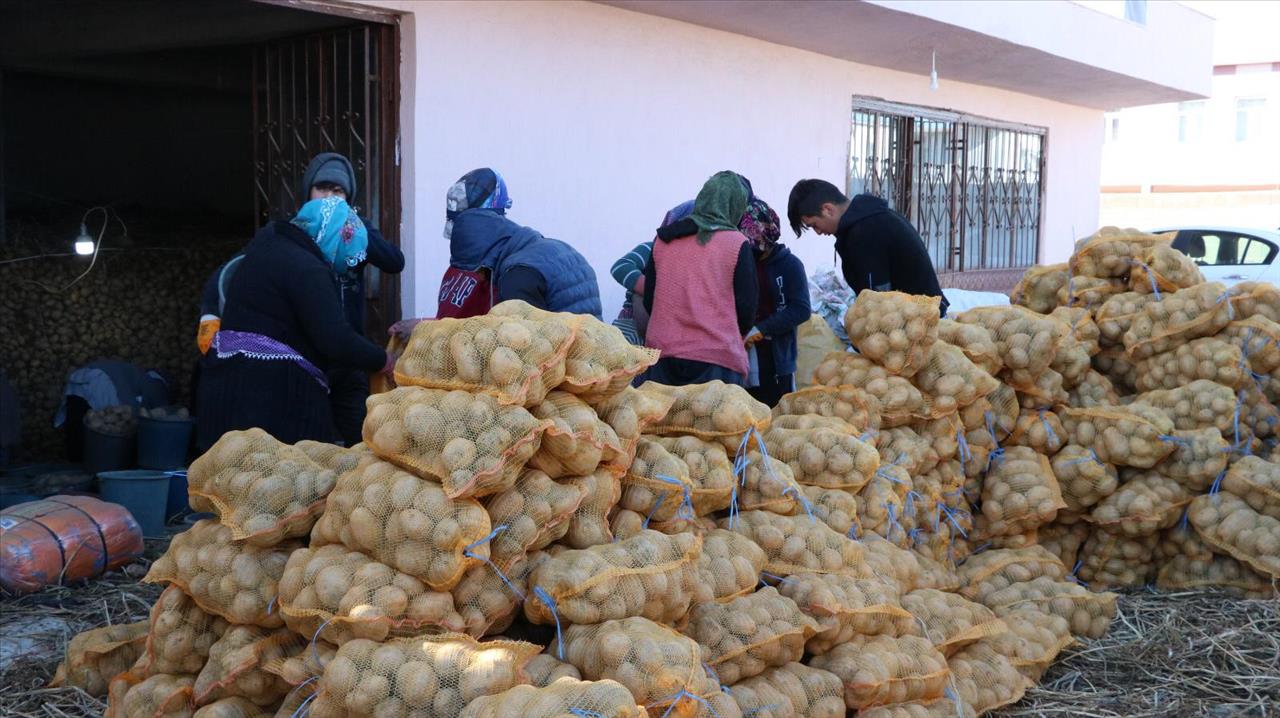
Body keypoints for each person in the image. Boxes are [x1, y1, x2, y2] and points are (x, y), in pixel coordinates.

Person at [194, 153, 403, 446]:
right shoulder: (307, 267)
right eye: (322, 189)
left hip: (234, 396)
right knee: (296, 481)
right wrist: (383, 360)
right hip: (269, 397)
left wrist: (353, 222)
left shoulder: (274, 243)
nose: (329, 196)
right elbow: (334, 337)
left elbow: (394, 260)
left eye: (338, 191)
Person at [642, 171, 758, 386]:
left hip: (663, 356)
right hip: (716, 360)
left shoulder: (664, 239)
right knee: (715, 420)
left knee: (663, 420)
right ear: (737, 207)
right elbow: (746, 310)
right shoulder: (736, 243)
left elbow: (650, 299)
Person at [444, 168, 602, 318]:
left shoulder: (516, 276)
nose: (479, 276)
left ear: (485, 258)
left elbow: (521, 342)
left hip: (566, 344)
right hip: (589, 341)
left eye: (478, 269)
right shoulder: (547, 248)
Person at [786, 179, 948, 316]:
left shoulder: (864, 232)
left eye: (814, 225)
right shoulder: (869, 219)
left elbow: (877, 300)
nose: (819, 232)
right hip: (917, 315)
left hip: (921, 323)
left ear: (828, 210)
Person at [739, 198, 811, 406]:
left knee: (777, 416)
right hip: (745, 356)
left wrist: (761, 329)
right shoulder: (743, 262)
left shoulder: (790, 265)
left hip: (777, 358)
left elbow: (801, 309)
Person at [609, 200, 693, 345]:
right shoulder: (652, 249)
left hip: (663, 334)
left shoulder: (694, 262)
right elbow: (620, 267)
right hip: (631, 326)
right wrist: (653, 290)